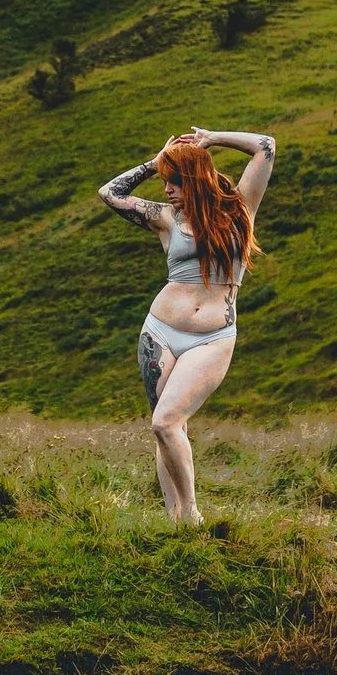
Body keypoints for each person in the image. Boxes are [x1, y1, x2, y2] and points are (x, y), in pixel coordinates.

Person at [97, 126, 275, 523]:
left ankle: (191, 512)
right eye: (164, 182)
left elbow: (265, 147)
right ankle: (177, 520)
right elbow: (110, 193)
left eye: (174, 182)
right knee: (167, 430)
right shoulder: (166, 219)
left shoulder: (240, 209)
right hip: (159, 331)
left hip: (212, 338)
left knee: (166, 421)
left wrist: (211, 139)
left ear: (194, 180)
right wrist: (157, 159)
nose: (166, 190)